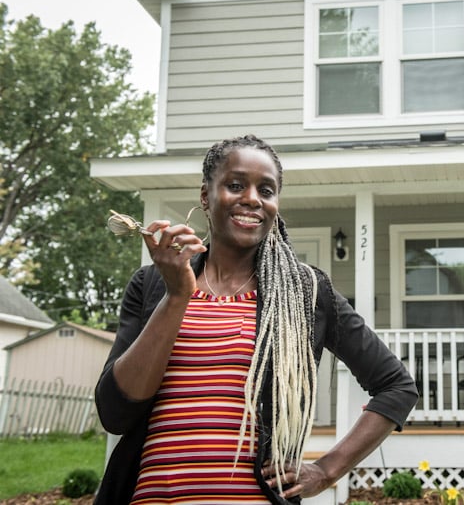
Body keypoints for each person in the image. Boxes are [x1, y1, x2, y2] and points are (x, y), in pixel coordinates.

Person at [94, 134, 419, 504]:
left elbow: (397, 386)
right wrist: (176, 295)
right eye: (235, 185)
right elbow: (115, 413)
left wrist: (327, 470)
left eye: (266, 190)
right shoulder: (153, 284)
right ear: (205, 196)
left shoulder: (305, 291)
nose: (252, 198)